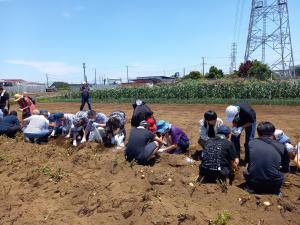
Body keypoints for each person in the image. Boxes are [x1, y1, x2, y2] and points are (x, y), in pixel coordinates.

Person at [243, 121, 290, 195]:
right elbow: (286, 168)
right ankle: (276, 192)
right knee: (279, 173)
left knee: (247, 168)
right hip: (273, 185)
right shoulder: (281, 146)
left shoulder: (250, 143)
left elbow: (248, 160)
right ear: (273, 133)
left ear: (258, 133)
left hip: (253, 183)